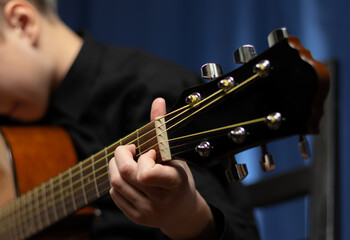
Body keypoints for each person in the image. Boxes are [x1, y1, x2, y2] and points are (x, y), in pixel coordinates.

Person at [0, 0, 259, 239]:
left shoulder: (150, 90)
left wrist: (187, 217)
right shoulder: (15, 123)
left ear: (22, 22)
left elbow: (243, 233)